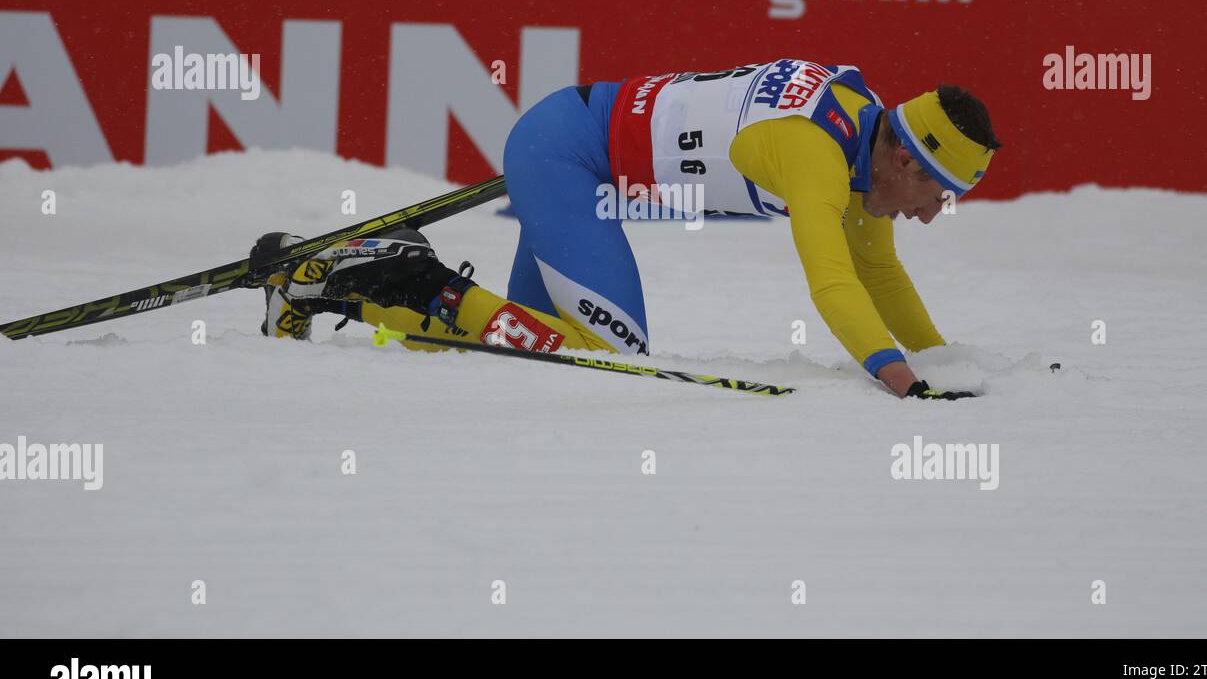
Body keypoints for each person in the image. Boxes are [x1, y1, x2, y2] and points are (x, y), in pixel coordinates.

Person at [255, 60, 1000, 400]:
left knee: (511, 348)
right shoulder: (818, 154)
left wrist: (941, 359)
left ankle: (342, 284)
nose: (935, 212)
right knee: (612, 354)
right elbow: (832, 280)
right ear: (904, 152)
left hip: (579, 155)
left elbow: (877, 272)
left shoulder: (864, 134)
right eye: (940, 191)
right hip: (570, 159)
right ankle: (404, 274)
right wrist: (899, 379)